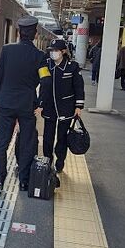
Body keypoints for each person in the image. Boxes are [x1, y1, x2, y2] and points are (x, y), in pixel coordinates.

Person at [0, 15, 51, 191]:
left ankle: (0, 179)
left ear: (19, 33)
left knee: (2, 142)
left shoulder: (7, 50)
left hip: (6, 103)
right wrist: (40, 102)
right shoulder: (39, 56)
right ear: (34, 34)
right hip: (27, 105)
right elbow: (46, 80)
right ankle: (24, 180)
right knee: (27, 142)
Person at [39, 39, 85, 173]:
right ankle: (47, 161)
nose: (53, 53)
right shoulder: (46, 65)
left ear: (63, 52)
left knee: (62, 138)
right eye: (51, 51)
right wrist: (40, 103)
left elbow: (79, 87)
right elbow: (43, 86)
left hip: (66, 108)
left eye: (55, 51)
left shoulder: (72, 67)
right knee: (48, 137)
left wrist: (79, 106)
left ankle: (60, 162)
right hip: (49, 107)